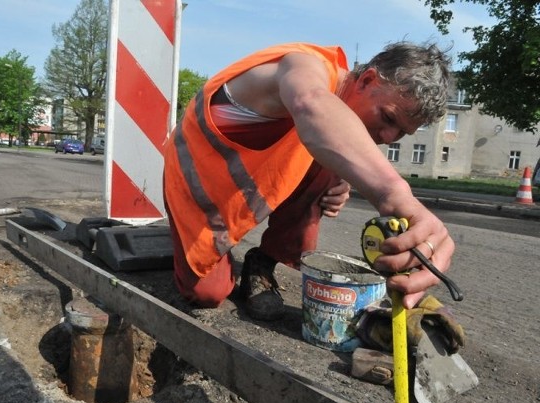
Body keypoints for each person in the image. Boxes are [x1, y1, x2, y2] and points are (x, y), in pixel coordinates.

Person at [163, 41, 455, 320]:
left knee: (336, 161)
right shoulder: (302, 65)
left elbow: (325, 135)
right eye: (389, 118)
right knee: (208, 295)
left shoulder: (345, 109)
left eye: (403, 133)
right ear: (366, 80)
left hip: (247, 183)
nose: (390, 138)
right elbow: (310, 104)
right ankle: (194, 246)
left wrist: (336, 180)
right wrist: (396, 193)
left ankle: (262, 263)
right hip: (197, 184)